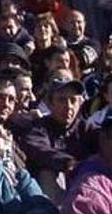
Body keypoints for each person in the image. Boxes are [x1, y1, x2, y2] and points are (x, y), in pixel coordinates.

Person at [18, 70, 90, 203]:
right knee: (48, 173)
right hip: (53, 191)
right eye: (62, 100)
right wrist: (67, 163)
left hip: (86, 185)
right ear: (50, 104)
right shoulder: (38, 127)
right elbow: (37, 148)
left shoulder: (87, 129)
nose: (69, 106)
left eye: (73, 100)